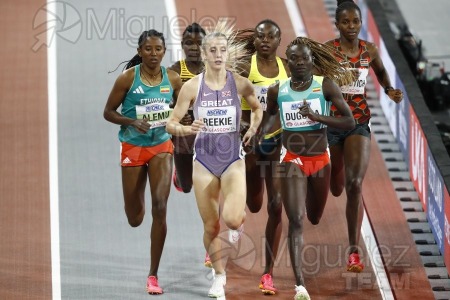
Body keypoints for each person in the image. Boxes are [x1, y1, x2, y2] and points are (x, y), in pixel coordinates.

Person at [166, 20, 263, 298]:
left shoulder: (240, 84)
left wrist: (254, 128)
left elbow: (257, 109)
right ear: (205, 54)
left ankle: (239, 222)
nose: (218, 55)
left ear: (227, 54)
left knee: (232, 219)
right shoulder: (192, 88)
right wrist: (187, 128)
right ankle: (219, 277)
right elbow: (171, 123)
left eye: (222, 50)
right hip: (204, 161)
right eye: (213, 51)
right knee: (211, 225)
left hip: (232, 159)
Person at [259, 37, 355, 299]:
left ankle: (298, 280)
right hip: (292, 159)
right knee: (297, 219)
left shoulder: (324, 85)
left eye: (304, 58)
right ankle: (300, 284)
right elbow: (269, 117)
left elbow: (348, 121)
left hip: (320, 159)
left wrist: (316, 117)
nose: (299, 63)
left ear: (312, 60)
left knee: (314, 217)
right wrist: (260, 135)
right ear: (286, 62)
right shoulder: (277, 91)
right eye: (294, 59)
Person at [325, 0, 403, 273]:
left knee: (355, 184)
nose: (351, 27)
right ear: (337, 24)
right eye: (345, 22)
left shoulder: (368, 50)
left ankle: (353, 252)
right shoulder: (327, 51)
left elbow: (381, 73)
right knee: (336, 186)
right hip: (333, 125)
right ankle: (335, 173)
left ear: (361, 22)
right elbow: (308, 78)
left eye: (355, 22)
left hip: (358, 123)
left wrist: (389, 89)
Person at [103, 29, 182, 295]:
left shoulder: (172, 79)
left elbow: (183, 107)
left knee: (160, 208)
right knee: (135, 218)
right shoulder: (127, 79)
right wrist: (132, 121)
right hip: (133, 148)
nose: (153, 54)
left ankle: (153, 275)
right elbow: (108, 112)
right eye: (148, 49)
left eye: (158, 49)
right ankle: (138, 201)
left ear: (164, 51)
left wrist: (178, 122)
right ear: (140, 51)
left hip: (161, 147)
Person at [236, 19, 289, 295]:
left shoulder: (287, 69)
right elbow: (231, 102)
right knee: (254, 204)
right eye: (260, 36)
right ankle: (235, 219)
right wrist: (246, 129)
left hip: (277, 143)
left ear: (279, 41)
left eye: (271, 36)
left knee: (276, 205)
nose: (265, 40)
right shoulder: (246, 67)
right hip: (251, 144)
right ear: (254, 41)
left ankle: (268, 272)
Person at [168, 22, 206, 194]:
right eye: (189, 43)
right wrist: (177, 114)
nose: (194, 47)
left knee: (208, 184)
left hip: (208, 131)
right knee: (186, 187)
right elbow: (163, 103)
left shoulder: (214, 69)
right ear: (182, 45)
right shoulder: (175, 72)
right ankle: (179, 177)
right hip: (184, 133)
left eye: (199, 43)